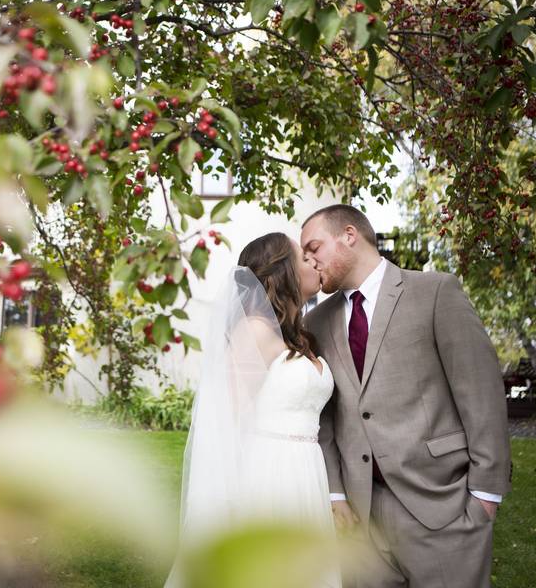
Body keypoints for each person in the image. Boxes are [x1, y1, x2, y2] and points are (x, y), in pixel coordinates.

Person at [301, 205, 512, 587]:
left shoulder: (434, 292)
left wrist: (484, 496)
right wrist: (335, 494)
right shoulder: (315, 321)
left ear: (349, 235)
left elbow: (481, 395)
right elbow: (323, 420)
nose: (309, 260)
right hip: (360, 519)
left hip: (441, 505)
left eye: (314, 247)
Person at [166, 232, 340, 588]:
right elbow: (229, 419)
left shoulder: (299, 334)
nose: (313, 262)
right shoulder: (255, 332)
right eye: (303, 258)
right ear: (282, 273)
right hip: (269, 477)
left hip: (307, 473)